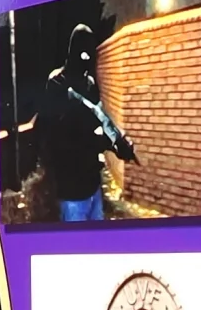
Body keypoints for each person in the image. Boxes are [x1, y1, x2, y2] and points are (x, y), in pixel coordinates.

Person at [31, 23, 138, 223]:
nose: (86, 59)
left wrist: (118, 143)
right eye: (82, 52)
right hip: (71, 193)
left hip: (93, 187)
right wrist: (99, 141)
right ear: (72, 51)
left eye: (90, 52)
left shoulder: (89, 84)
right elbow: (54, 135)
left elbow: (100, 120)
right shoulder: (57, 83)